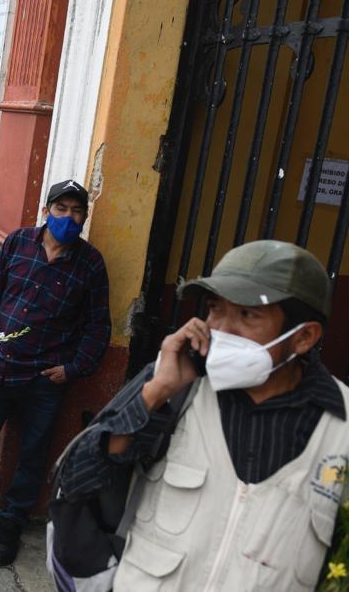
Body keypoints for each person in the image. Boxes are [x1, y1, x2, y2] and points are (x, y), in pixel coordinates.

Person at [56, 240, 347, 591]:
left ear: (303, 338)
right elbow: (75, 481)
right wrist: (157, 391)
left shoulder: (340, 427)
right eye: (215, 309)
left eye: (248, 314)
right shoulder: (173, 385)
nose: (220, 329)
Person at [0, 179, 111, 567]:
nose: (68, 217)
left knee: (33, 455)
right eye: (61, 209)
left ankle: (10, 526)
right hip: (0, 367)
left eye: (76, 211)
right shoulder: (18, 243)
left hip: (46, 379)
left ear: (84, 217)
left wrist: (74, 368)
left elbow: (99, 326)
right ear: (47, 210)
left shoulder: (90, 263)